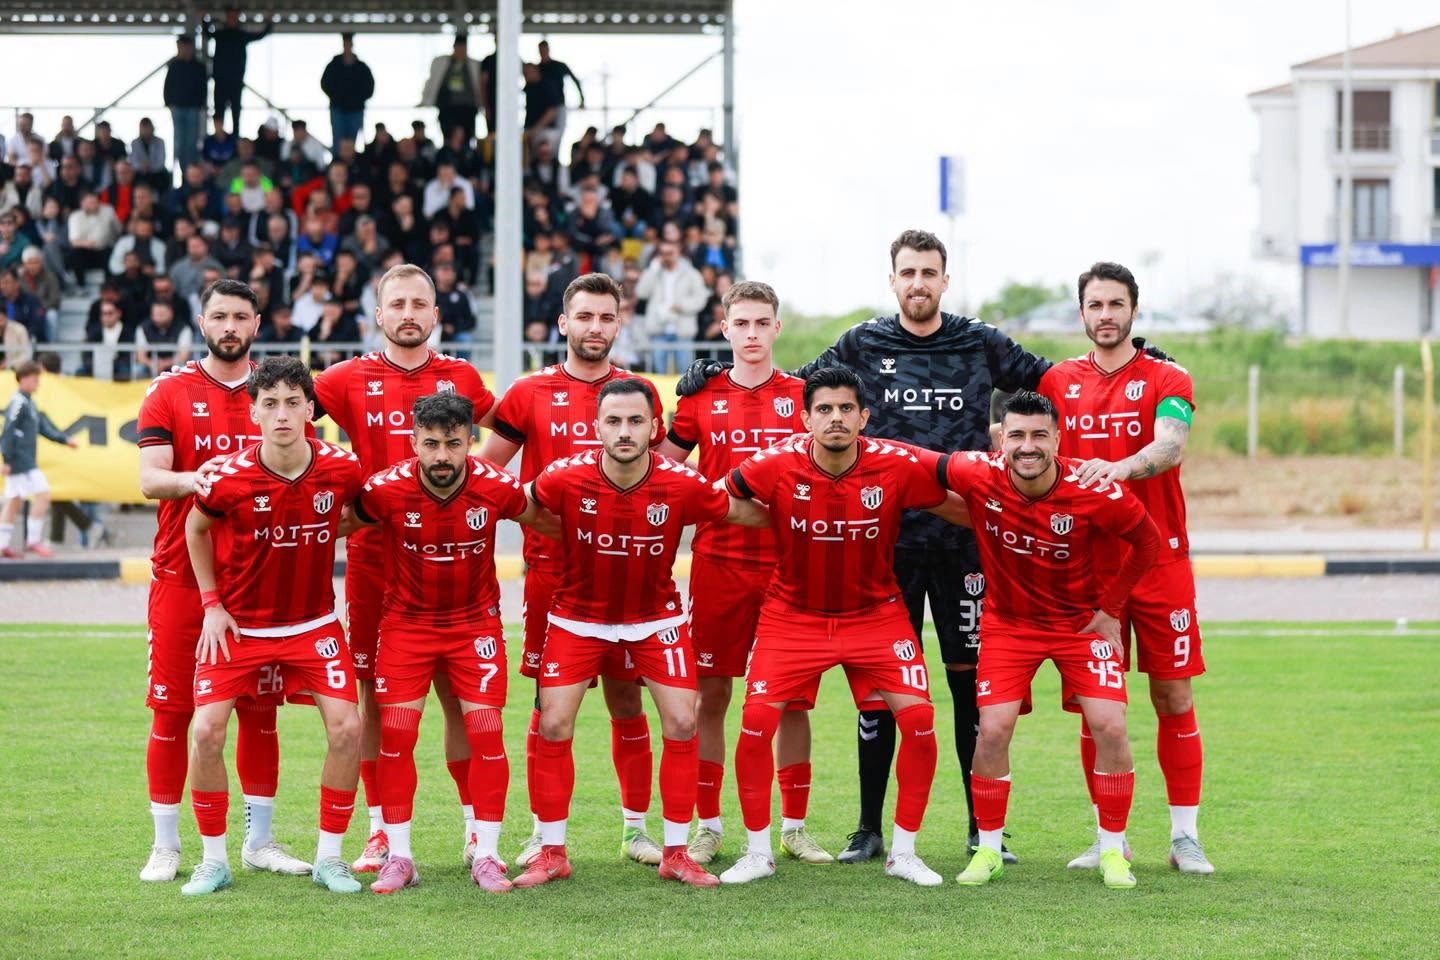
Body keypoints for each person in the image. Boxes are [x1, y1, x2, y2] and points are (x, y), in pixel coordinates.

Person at [677, 228, 1173, 864]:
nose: (918, 283)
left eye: (928, 273)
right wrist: (715, 376)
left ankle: (978, 831)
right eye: (907, 272)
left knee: (970, 691)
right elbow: (798, 385)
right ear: (893, 281)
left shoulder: (981, 341)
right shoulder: (862, 342)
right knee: (881, 695)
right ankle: (868, 829)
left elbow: (1058, 383)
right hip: (886, 546)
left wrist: (1132, 357)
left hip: (966, 543)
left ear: (945, 279)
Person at [513, 377, 769, 889]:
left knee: (682, 721)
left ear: (655, 427)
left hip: (655, 619)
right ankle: (552, 852)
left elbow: (736, 511)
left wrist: (805, 514)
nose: (624, 431)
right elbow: (520, 505)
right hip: (577, 618)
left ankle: (676, 853)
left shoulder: (682, 482)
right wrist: (567, 532)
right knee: (554, 724)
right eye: (614, 421)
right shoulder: (565, 475)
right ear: (597, 426)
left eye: (635, 421)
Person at [718, 367, 965, 887]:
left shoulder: (895, 464)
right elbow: (717, 498)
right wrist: (771, 516)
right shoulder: (774, 463)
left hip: (876, 616)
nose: (836, 418)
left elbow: (958, 500)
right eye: (824, 409)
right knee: (756, 724)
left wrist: (1016, 516)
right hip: (792, 616)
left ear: (864, 417)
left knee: (920, 721)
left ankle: (904, 853)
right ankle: (758, 852)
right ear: (805, 418)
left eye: (846, 408)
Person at [310, 263, 497, 875]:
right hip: (375, 561)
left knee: (459, 697)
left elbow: (507, 433)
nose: (409, 314)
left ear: (436, 315)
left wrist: (483, 489)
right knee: (374, 695)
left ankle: (475, 829)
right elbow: (279, 415)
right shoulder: (344, 378)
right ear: (379, 314)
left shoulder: (462, 376)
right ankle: (379, 832)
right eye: (398, 304)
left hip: (454, 559)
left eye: (419, 304)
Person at [476, 272, 665, 870]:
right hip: (553, 575)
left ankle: (636, 829)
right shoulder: (529, 392)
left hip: (627, 575)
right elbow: (489, 474)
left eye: (606, 317)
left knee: (627, 702)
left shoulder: (638, 394)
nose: (595, 327)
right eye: (584, 316)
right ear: (563, 323)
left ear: (619, 323)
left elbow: (662, 477)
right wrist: (535, 515)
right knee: (549, 706)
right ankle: (543, 833)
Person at [1037, 262, 1214, 875]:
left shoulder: (1168, 376)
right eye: (1096, 305)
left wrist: (1119, 468)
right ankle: (1108, 838)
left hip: (1160, 561)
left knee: (1173, 694)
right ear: (1081, 313)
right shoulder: (1057, 381)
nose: (1106, 315)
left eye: (1116, 304)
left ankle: (1185, 837)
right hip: (1087, 569)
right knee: (1098, 706)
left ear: (1135, 310)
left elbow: (1171, 445)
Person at [943, 390, 1159, 890]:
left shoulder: (1093, 487)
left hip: (1079, 626)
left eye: (1039, 435)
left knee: (1110, 726)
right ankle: (988, 849)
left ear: (1058, 439)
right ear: (1000, 439)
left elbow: (1147, 541)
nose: (1028, 446)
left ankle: (1113, 850)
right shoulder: (976, 471)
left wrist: (1111, 609)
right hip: (1008, 626)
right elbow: (911, 464)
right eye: (1017, 435)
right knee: (992, 730)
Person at [346, 393, 556, 894]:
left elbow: (549, 522)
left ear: (470, 441)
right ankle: (400, 857)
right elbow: (329, 528)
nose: (442, 455)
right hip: (406, 627)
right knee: (396, 735)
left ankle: (486, 854)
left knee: (486, 732)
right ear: (413, 442)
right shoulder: (385, 490)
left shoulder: (496, 486)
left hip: (474, 627)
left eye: (453, 444)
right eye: (431, 444)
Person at [134, 279, 307, 885]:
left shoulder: (278, 391)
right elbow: (150, 479)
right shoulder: (170, 391)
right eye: (219, 316)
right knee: (173, 712)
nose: (229, 326)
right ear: (202, 322)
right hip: (182, 578)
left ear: (256, 324)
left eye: (240, 316)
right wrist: (200, 480)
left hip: (258, 584)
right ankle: (166, 845)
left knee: (260, 714)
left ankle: (259, 841)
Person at [653, 281, 829, 866]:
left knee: (792, 700)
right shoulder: (699, 398)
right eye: (741, 323)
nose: (752, 334)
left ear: (777, 327)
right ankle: (708, 825)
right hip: (720, 562)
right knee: (712, 693)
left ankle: (795, 827)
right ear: (724, 328)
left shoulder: (804, 396)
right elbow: (663, 469)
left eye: (762, 323)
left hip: (791, 567)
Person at [181, 355, 365, 896]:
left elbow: (360, 513)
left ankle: (330, 858)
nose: (281, 413)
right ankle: (214, 860)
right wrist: (211, 604)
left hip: (313, 625)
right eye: (270, 404)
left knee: (348, 729)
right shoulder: (227, 477)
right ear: (254, 412)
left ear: (310, 409)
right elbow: (194, 530)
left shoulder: (342, 468)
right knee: (205, 732)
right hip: (239, 627)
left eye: (292, 402)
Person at [1, 361, 78, 558]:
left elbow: (43, 428)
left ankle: (3, 545)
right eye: (35, 380)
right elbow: (8, 431)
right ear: (23, 379)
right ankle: (33, 541)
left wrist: (64, 440)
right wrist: (7, 459)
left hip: (22, 459)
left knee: (14, 501)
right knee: (43, 495)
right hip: (21, 461)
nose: (38, 384)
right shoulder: (19, 402)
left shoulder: (28, 403)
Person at [634, 240, 707, 375]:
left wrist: (681, 306)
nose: (666, 257)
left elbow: (701, 299)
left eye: (670, 253)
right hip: (659, 330)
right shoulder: (654, 272)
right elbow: (641, 292)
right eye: (663, 253)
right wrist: (652, 270)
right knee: (659, 376)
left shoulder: (691, 273)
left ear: (678, 252)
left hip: (683, 331)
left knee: (686, 376)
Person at [208, 9, 272, 135]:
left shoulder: (241, 35)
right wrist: (205, 19)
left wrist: (269, 21)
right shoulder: (221, 34)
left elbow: (261, 35)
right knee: (219, 111)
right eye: (230, 16)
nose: (232, 19)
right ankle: (218, 137)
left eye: (235, 16)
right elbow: (207, 33)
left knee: (235, 112)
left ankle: (235, 139)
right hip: (221, 81)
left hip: (236, 81)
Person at [422, 36, 483, 144]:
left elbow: (479, 85)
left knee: (467, 138)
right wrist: (425, 99)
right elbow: (431, 81)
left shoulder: (474, 64)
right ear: (454, 47)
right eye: (458, 48)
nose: (460, 51)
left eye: (463, 48)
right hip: (448, 107)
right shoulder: (441, 62)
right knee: (448, 137)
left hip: (467, 108)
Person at [321, 33, 375, 152]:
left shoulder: (361, 67)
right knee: (338, 142)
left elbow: (369, 88)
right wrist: (337, 98)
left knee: (351, 142)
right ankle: (337, 162)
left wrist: (357, 99)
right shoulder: (334, 65)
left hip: (355, 110)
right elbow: (325, 84)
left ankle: (349, 163)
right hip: (338, 109)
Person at [164, 35, 208, 175]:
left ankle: (192, 173)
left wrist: (200, 103)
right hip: (177, 108)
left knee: (191, 143)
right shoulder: (174, 65)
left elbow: (203, 87)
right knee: (179, 143)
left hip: (192, 108)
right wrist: (168, 103)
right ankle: (184, 173)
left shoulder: (198, 66)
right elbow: (168, 86)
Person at [536, 40, 585, 148]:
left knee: (558, 134)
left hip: (559, 104)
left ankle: (555, 157)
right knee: (542, 136)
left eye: (544, 50)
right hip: (544, 108)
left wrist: (582, 99)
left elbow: (575, 80)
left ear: (548, 50)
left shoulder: (559, 66)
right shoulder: (538, 68)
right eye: (541, 50)